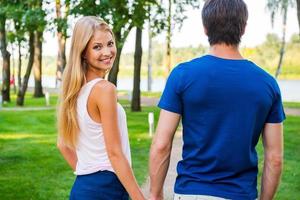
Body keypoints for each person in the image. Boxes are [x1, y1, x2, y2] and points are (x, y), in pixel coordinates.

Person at [149, 0, 285, 199]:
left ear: (205, 28)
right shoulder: (267, 84)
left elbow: (161, 145)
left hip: (191, 192)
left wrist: (155, 194)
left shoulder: (182, 75)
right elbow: (275, 158)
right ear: (244, 28)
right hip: (240, 194)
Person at [57, 16, 145, 200]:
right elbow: (114, 153)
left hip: (83, 188)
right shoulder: (104, 90)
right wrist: (139, 198)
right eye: (97, 47)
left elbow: (63, 145)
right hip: (107, 188)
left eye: (110, 43)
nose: (107, 51)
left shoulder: (74, 91)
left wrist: (89, 175)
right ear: (83, 52)